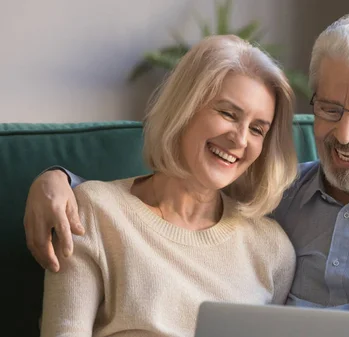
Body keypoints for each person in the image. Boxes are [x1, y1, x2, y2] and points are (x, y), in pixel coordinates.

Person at [25, 12, 349, 336]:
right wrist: (58, 180)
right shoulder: (275, 196)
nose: (346, 134)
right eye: (329, 108)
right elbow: (168, 202)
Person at [36, 35, 298, 336]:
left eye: (257, 129)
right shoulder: (94, 212)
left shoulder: (272, 249)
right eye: (228, 113)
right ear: (185, 108)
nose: (240, 140)